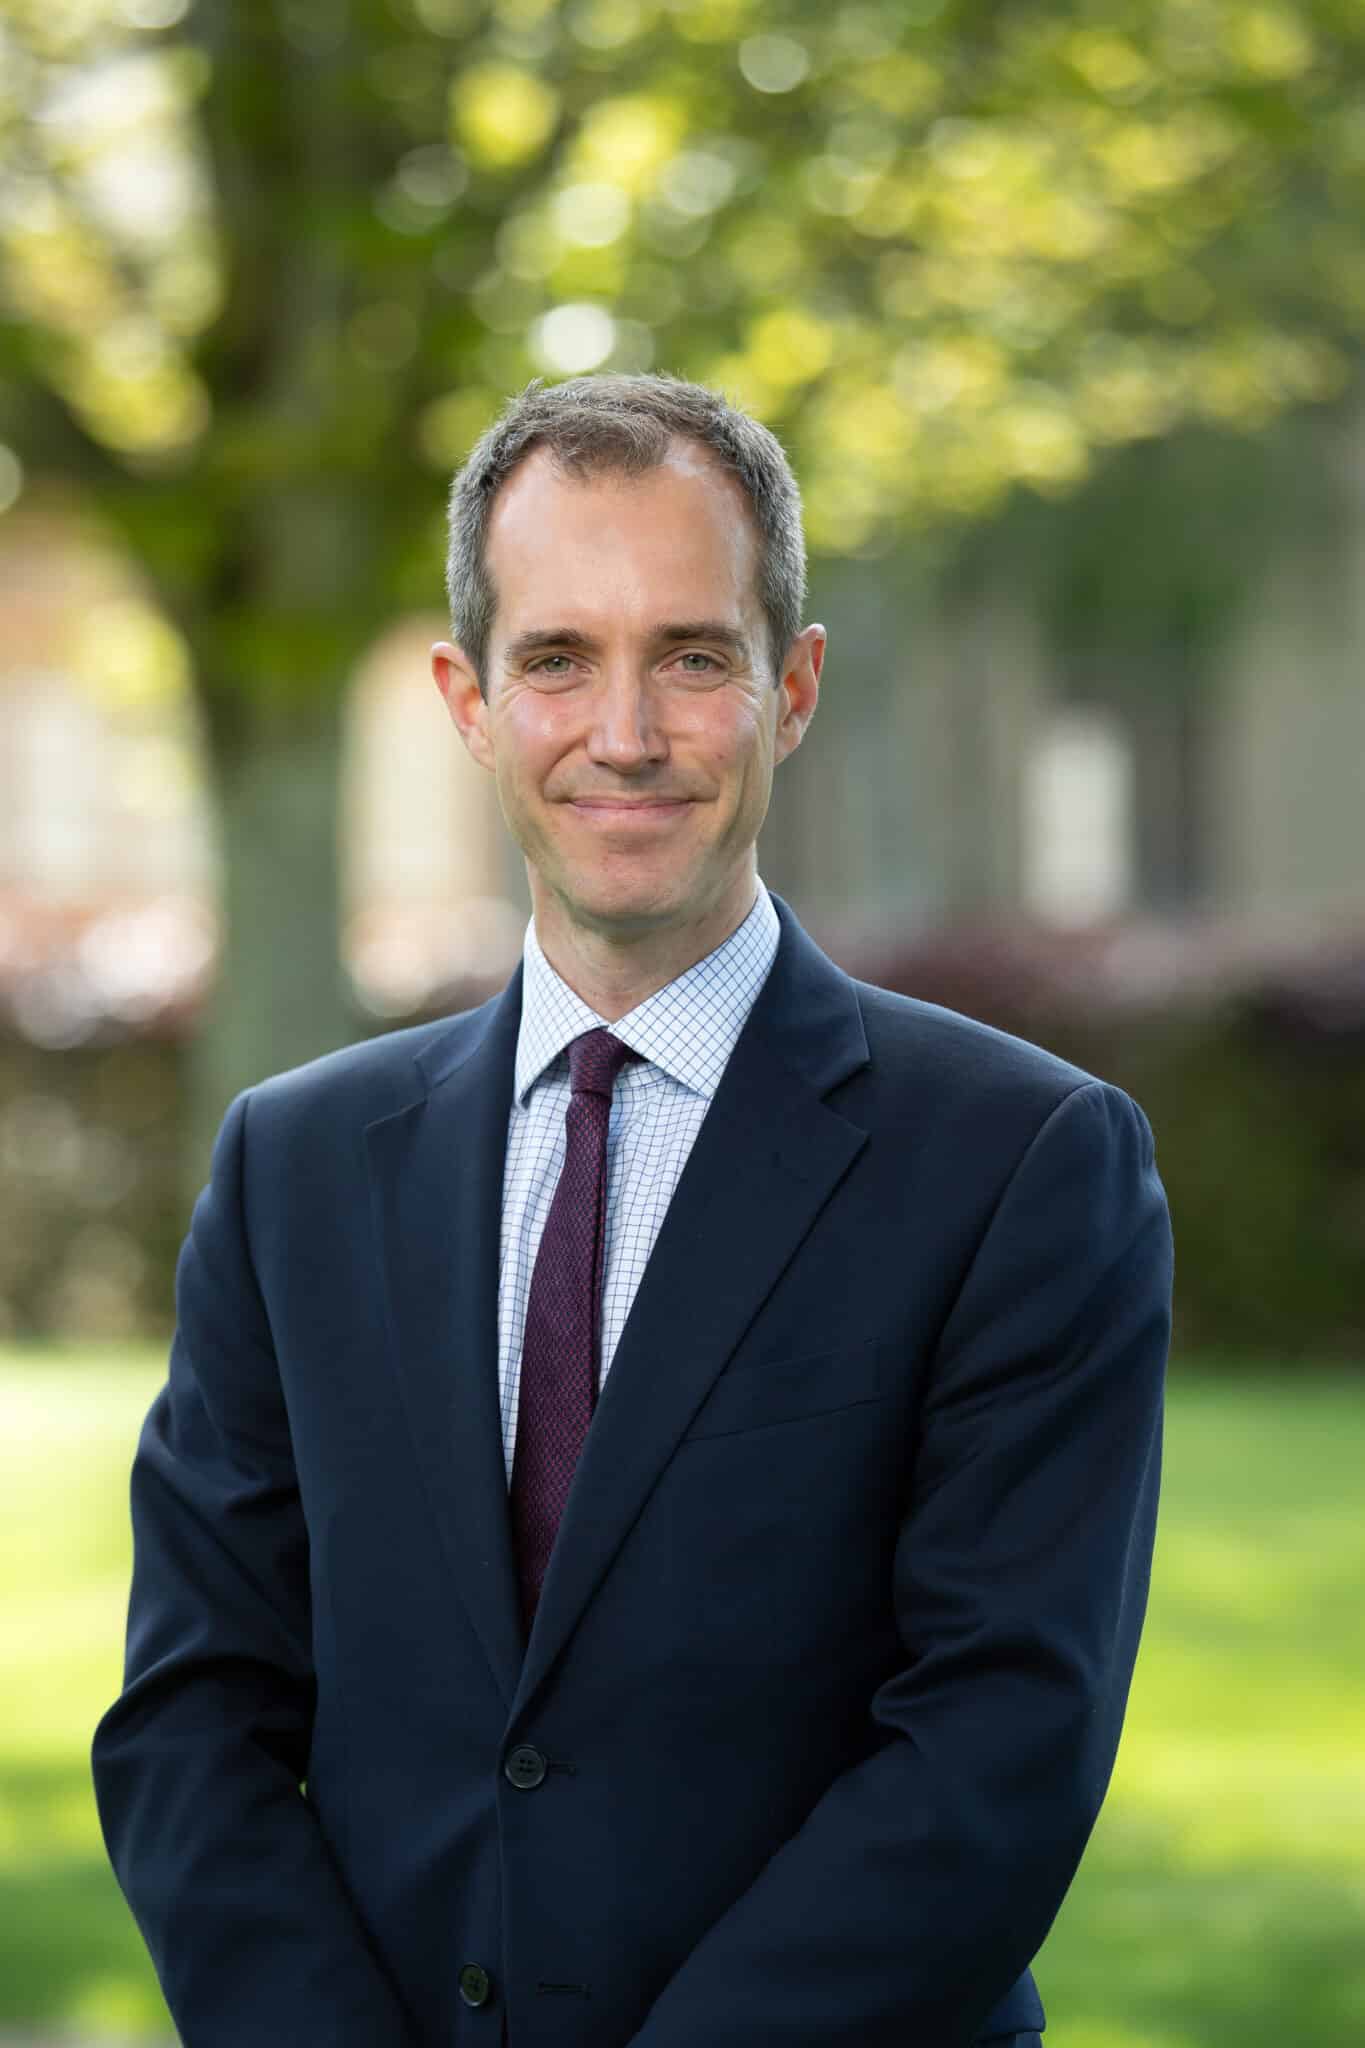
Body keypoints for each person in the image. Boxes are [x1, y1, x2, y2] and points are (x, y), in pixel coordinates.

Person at [92, 373, 1172, 2048]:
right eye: (554, 659)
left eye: (691, 655)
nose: (626, 734)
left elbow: (995, 1744)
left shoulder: (1023, 1162)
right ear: (464, 697)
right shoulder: (295, 1164)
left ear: (790, 688)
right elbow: (191, 1719)